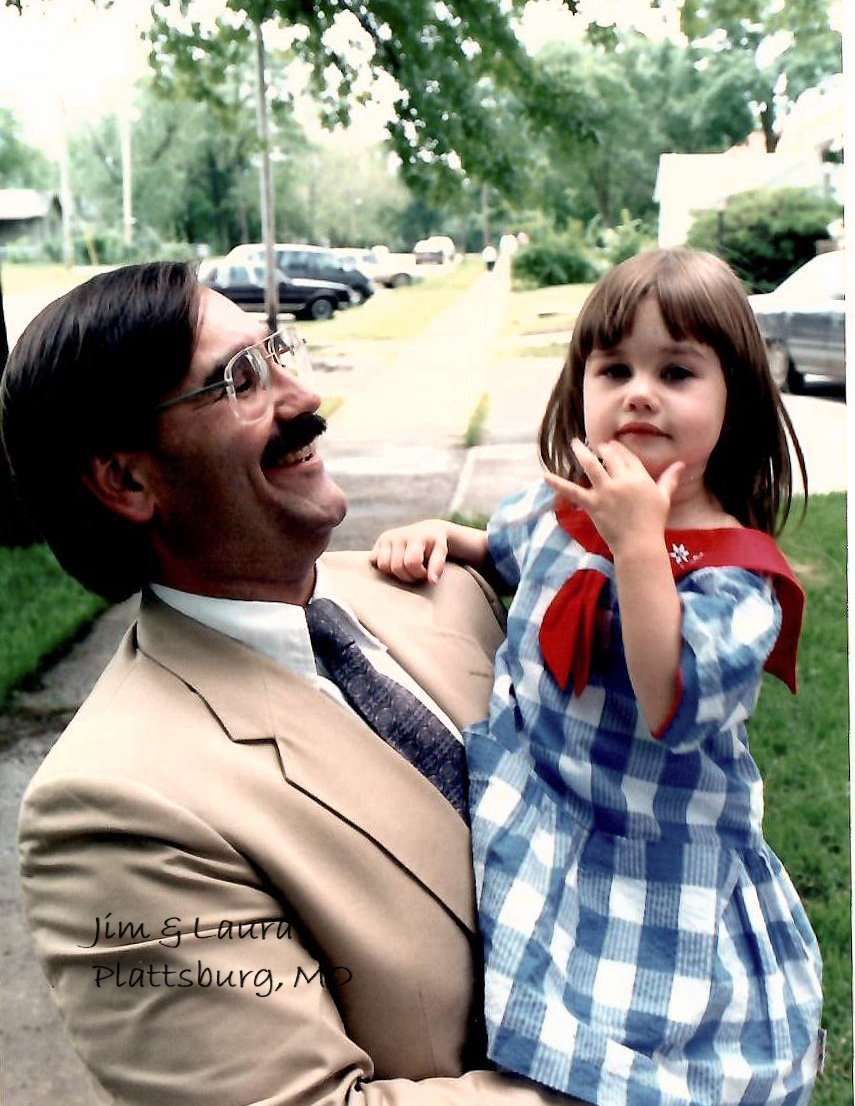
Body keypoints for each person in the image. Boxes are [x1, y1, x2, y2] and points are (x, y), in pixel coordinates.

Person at [0, 261, 573, 1106]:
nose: (305, 397)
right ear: (127, 481)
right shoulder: (113, 813)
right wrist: (657, 1076)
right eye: (240, 381)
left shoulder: (442, 587)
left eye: (276, 353)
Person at [371, 248, 825, 1106]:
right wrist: (443, 535)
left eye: (676, 372)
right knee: (525, 1027)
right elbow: (503, 549)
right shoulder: (563, 514)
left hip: (658, 857)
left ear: (734, 397)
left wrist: (638, 545)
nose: (639, 393)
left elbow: (670, 701)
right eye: (614, 369)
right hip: (546, 814)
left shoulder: (733, 575)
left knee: (644, 1060)